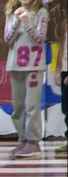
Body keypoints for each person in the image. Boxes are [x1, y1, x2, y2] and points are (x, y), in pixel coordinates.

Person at [4, 0, 48, 159]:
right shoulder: (11, 12)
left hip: (34, 65)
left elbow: (39, 39)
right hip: (15, 65)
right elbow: (7, 39)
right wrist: (16, 21)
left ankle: (33, 141)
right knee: (18, 106)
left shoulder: (41, 12)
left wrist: (28, 23)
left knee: (32, 105)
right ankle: (23, 139)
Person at [53, 20, 67, 157]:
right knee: (66, 108)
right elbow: (62, 47)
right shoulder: (65, 23)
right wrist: (58, 70)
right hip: (65, 70)